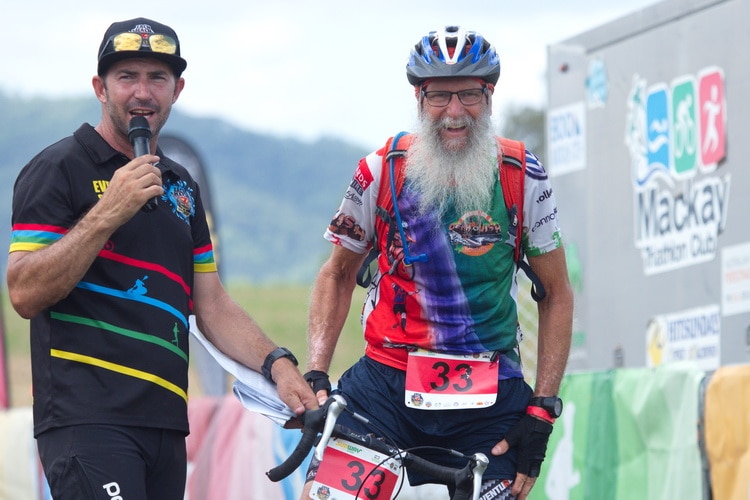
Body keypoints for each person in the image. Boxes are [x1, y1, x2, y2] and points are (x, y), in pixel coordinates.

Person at [6, 17, 316, 499]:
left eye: (158, 78)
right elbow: (24, 291)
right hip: (88, 420)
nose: (142, 93)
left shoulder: (181, 186)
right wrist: (108, 211)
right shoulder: (58, 167)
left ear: (178, 89)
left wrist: (278, 365)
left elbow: (211, 304)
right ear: (100, 88)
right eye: (127, 77)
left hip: (167, 424)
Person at [302, 26, 573, 500]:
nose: (454, 112)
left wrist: (543, 408)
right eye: (440, 96)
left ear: (489, 97)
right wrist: (316, 373)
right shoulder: (379, 169)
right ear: (419, 97)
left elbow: (557, 294)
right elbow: (337, 273)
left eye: (468, 94)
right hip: (385, 385)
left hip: (488, 393)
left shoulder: (521, 174)